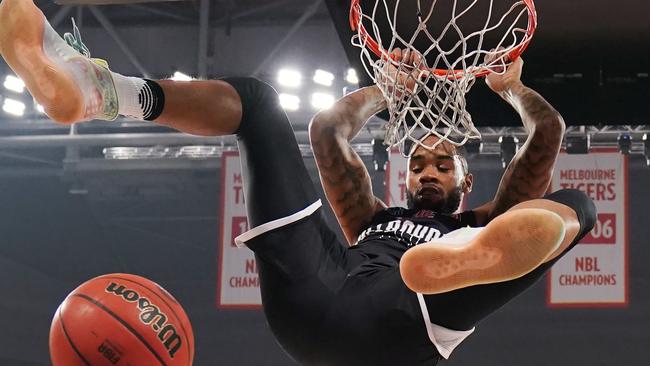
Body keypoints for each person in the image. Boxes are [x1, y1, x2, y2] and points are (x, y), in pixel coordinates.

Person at [0, 1, 596, 365]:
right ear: (403, 175)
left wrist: (511, 87)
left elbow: (547, 133)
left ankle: (463, 270)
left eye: (442, 165)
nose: (427, 170)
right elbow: (328, 132)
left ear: (467, 180)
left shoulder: (475, 223)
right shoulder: (373, 221)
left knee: (574, 205)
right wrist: (388, 90)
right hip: (318, 292)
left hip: (397, 328)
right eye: (418, 164)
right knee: (258, 107)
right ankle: (104, 91)